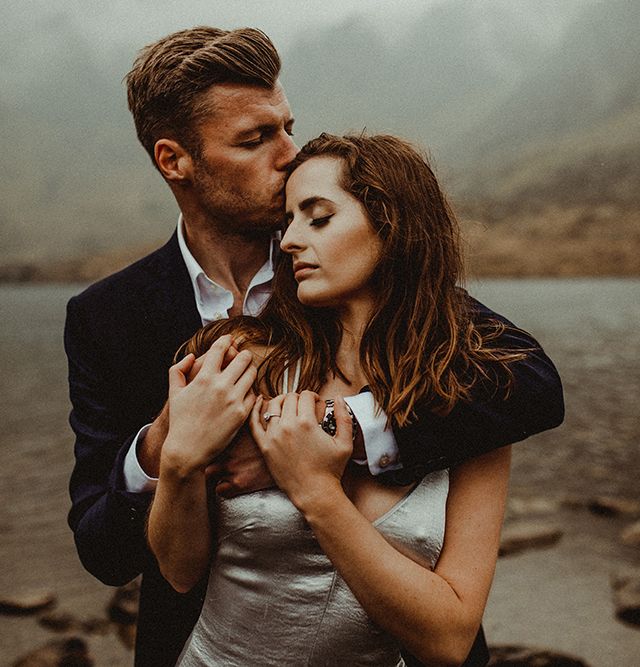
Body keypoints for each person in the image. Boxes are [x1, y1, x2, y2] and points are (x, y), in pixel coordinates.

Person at [64, 27, 563, 667]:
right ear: (174, 160)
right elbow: (102, 551)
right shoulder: (105, 318)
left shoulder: (347, 268)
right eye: (255, 139)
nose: (290, 153)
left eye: (287, 126)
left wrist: (327, 430)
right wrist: (164, 448)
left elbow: (530, 385)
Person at [148, 133, 534, 666]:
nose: (286, 241)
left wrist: (316, 492)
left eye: (319, 218)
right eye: (288, 222)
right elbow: (179, 570)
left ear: (392, 225)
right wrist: (177, 462)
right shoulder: (248, 361)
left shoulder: (469, 402)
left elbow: (448, 641)